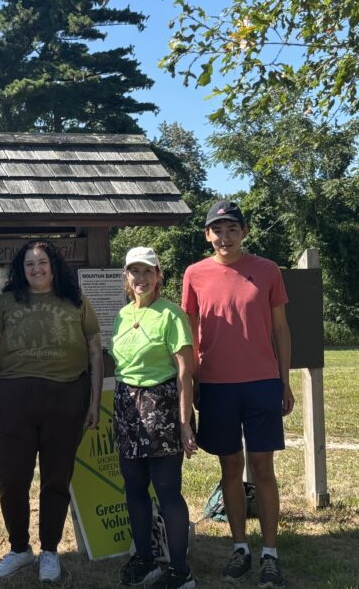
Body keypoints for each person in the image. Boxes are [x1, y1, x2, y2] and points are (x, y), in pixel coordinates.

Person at [181, 200, 293, 589]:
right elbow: (190, 333)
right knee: (230, 467)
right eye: (218, 230)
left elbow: (281, 330)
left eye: (232, 229)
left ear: (244, 232)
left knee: (262, 468)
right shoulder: (194, 274)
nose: (225, 237)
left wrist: (284, 381)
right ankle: (240, 547)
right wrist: (194, 381)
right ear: (207, 235)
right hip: (216, 385)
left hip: (261, 383)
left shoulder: (267, 270)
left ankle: (270, 553)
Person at [0, 239, 102, 583]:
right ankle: (20, 548)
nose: (36, 269)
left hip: (67, 396)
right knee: (11, 478)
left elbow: (95, 352)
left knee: (56, 477)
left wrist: (93, 402)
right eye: (30, 263)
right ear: (22, 269)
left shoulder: (76, 300)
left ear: (54, 266)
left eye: (42, 262)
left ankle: (50, 550)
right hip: (14, 397)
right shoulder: (6, 301)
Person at [112, 247, 196, 589]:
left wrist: (185, 423)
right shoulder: (121, 315)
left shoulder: (171, 315)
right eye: (134, 271)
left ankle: (180, 570)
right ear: (126, 277)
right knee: (134, 487)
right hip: (127, 408)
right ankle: (144, 558)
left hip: (162, 408)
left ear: (158, 275)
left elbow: (185, 372)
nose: (141, 278)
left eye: (148, 271)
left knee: (167, 490)